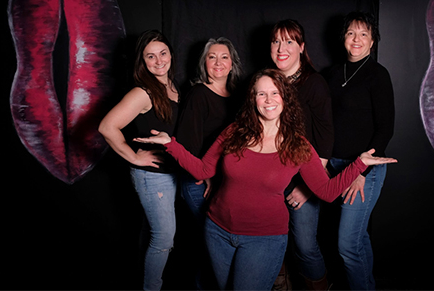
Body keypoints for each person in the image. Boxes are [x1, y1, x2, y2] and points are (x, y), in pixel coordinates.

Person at [134, 69, 397, 291]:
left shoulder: (298, 145)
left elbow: (326, 192)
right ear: (253, 99)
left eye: (274, 93)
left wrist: (359, 164)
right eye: (261, 93)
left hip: (264, 240)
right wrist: (171, 144)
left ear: (284, 98)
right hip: (217, 231)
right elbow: (203, 170)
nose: (268, 99)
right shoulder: (234, 131)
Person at [98, 30, 180, 291]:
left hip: (172, 173)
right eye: (151, 56)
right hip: (153, 176)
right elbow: (107, 127)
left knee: (152, 233)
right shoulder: (142, 92)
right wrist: (133, 156)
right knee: (164, 238)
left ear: (171, 54)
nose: (159, 61)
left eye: (163, 53)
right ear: (142, 62)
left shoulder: (174, 87)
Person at [325, 11, 395, 290]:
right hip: (334, 166)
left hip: (365, 169)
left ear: (372, 41)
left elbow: (385, 129)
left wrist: (361, 170)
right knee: (357, 237)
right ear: (343, 38)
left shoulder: (378, 75)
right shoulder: (331, 73)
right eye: (352, 33)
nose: (357, 39)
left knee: (347, 244)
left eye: (364, 34)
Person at [269, 20, 334, 290]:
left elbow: (326, 137)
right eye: (275, 41)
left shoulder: (314, 83)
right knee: (272, 241)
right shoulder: (267, 81)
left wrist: (308, 186)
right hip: (271, 177)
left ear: (301, 47)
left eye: (289, 42)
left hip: (302, 179)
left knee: (305, 245)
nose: (281, 48)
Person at [175, 37, 242, 289]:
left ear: (232, 62)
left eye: (224, 56)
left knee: (219, 248)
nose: (218, 62)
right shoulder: (198, 94)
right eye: (212, 56)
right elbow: (187, 146)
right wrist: (210, 177)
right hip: (199, 181)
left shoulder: (237, 96)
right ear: (204, 62)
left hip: (225, 183)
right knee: (210, 248)